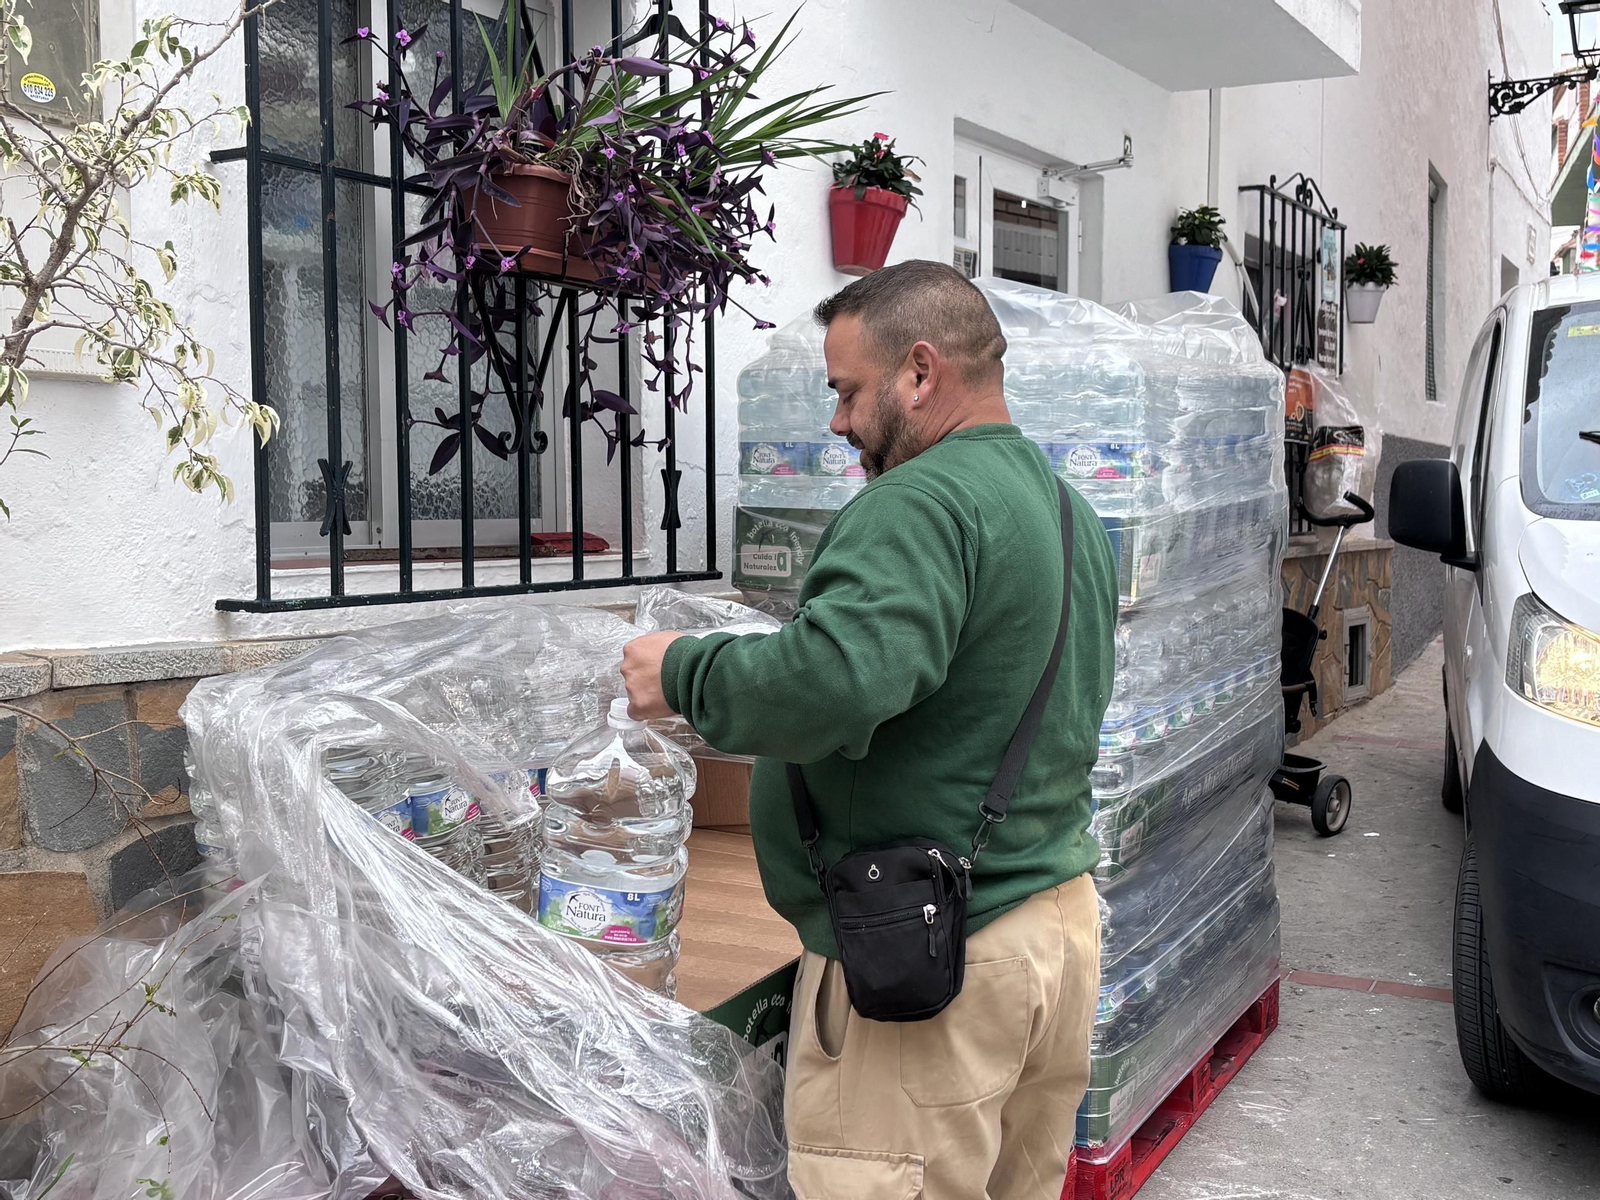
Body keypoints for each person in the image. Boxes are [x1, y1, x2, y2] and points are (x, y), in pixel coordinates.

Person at [622, 260, 1117, 1200]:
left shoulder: (919, 505)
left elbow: (837, 681)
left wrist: (683, 669)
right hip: (1048, 927)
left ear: (920, 373)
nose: (840, 422)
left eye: (847, 391)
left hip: (930, 965)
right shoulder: (1066, 510)